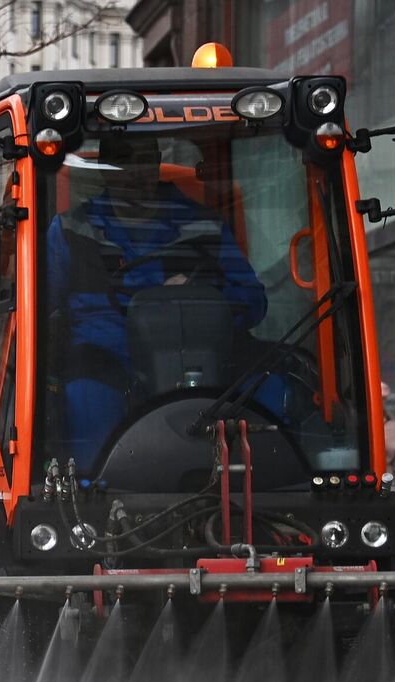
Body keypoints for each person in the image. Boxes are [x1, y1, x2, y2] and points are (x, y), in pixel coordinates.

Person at [46, 135, 268, 463]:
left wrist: (199, 300)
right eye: (124, 161)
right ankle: (91, 494)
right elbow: (40, 307)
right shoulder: (69, 230)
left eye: (145, 159)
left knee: (270, 384)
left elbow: (252, 301)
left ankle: (276, 483)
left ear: (157, 161)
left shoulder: (204, 224)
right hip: (108, 359)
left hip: (200, 356)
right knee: (85, 398)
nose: (136, 172)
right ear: (105, 169)